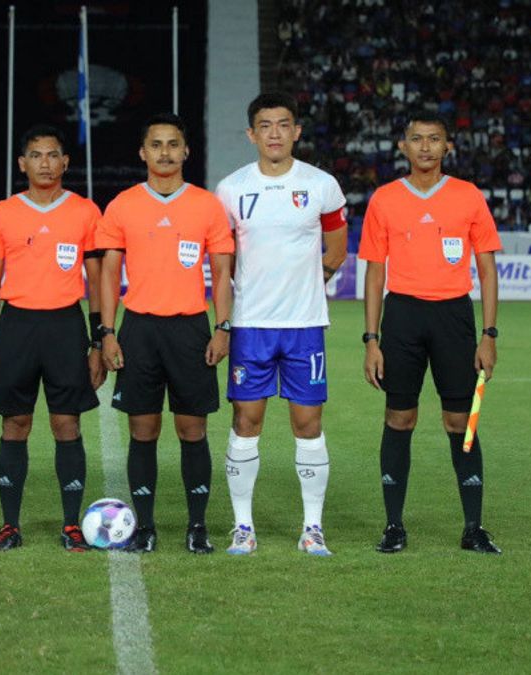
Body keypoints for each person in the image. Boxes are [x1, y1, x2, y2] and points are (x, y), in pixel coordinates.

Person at [358, 111, 502, 555]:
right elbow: (375, 273)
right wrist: (371, 340)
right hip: (401, 318)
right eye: (416, 139)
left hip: (454, 319)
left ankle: (473, 527)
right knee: (400, 417)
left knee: (461, 421)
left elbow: (487, 268)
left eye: (434, 139)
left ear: (447, 147)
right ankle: (394, 526)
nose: (424, 147)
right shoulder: (385, 199)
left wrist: (489, 334)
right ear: (402, 147)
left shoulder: (468, 196)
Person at [214, 92, 349, 556]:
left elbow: (335, 249)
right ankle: (243, 527)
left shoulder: (322, 185)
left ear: (296, 131)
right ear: (252, 134)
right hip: (251, 325)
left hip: (304, 325)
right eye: (265, 125)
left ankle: (312, 528)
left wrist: (310, 283)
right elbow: (223, 258)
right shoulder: (230, 189)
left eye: (283, 124)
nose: (275, 133)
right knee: (246, 419)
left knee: (307, 423)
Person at [96, 113, 235, 554]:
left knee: (193, 430)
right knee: (143, 430)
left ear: (186, 151)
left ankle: (197, 527)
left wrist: (222, 327)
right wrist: (107, 332)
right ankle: (146, 526)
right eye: (156, 144)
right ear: (143, 152)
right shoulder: (121, 206)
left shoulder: (207, 206)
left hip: (191, 328)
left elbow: (222, 271)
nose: (165, 152)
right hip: (139, 329)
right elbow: (108, 275)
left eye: (173, 144)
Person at [0, 124, 106, 553]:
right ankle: (8, 526)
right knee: (15, 422)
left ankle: (72, 525)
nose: (45, 163)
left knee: (65, 422)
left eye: (53, 155)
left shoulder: (86, 212)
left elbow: (94, 278)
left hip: (65, 327)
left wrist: (96, 343)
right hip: (16, 327)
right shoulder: (3, 213)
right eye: (36, 155)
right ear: (23, 164)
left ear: (66, 162)